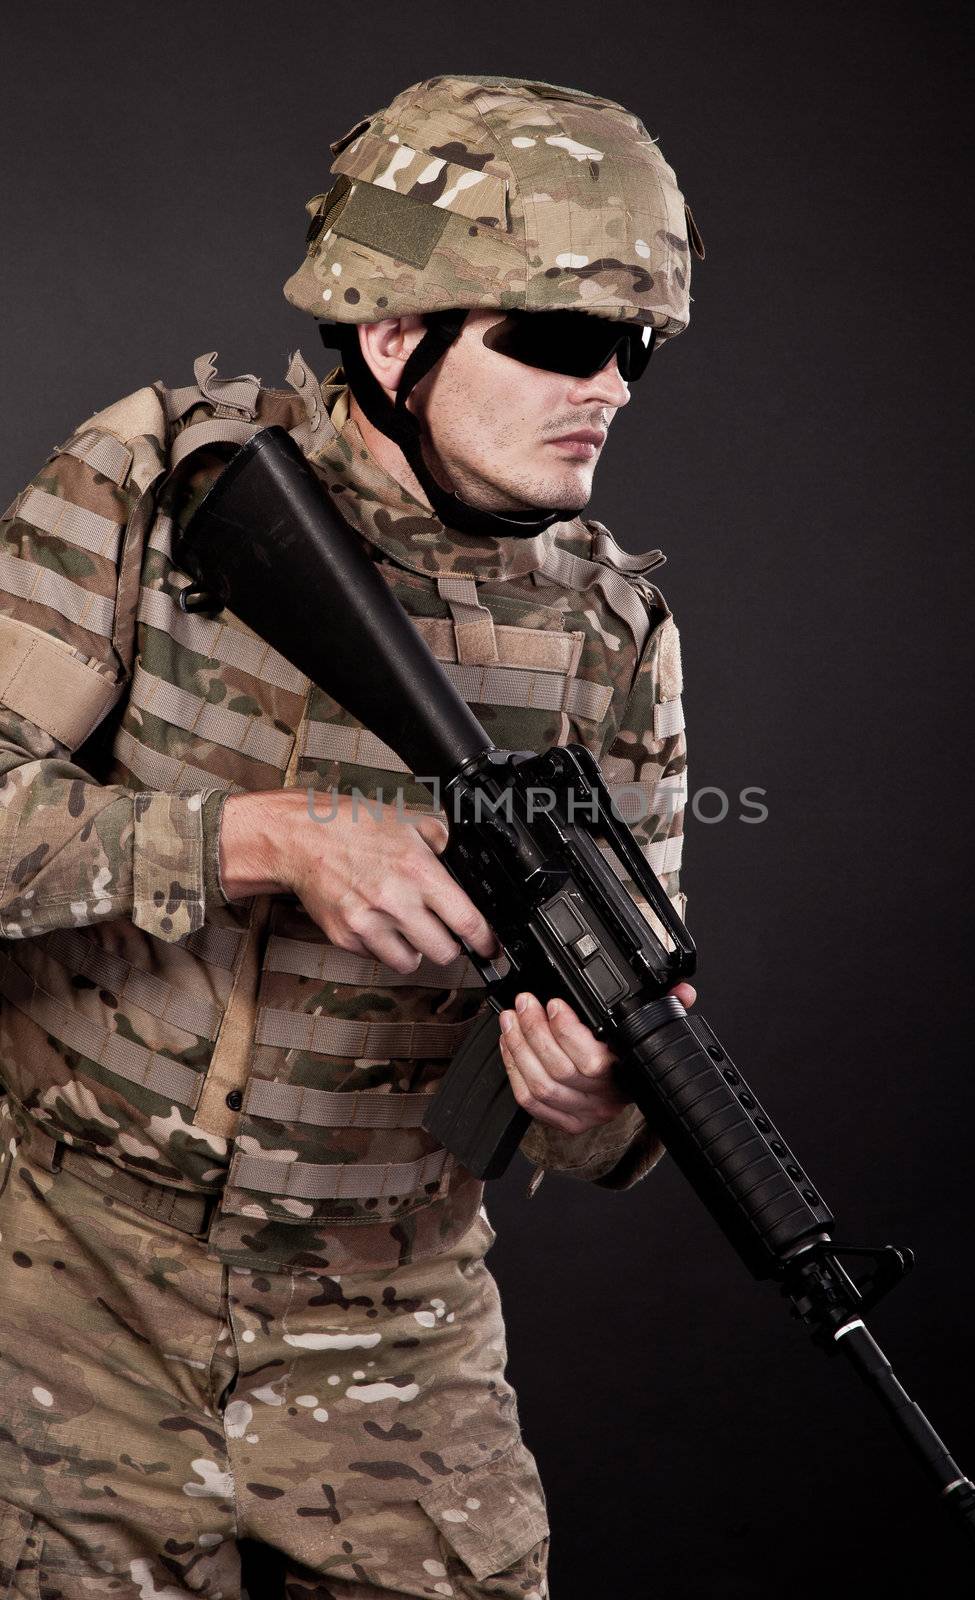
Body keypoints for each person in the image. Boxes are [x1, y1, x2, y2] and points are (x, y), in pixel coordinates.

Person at [0, 74, 700, 1597]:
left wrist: (588, 1094)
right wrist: (266, 838)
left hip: (391, 1331)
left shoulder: (611, 640)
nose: (615, 387)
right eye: (563, 338)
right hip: (69, 1290)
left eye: (636, 347)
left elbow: (627, 1084)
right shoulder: (167, 488)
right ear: (397, 336)